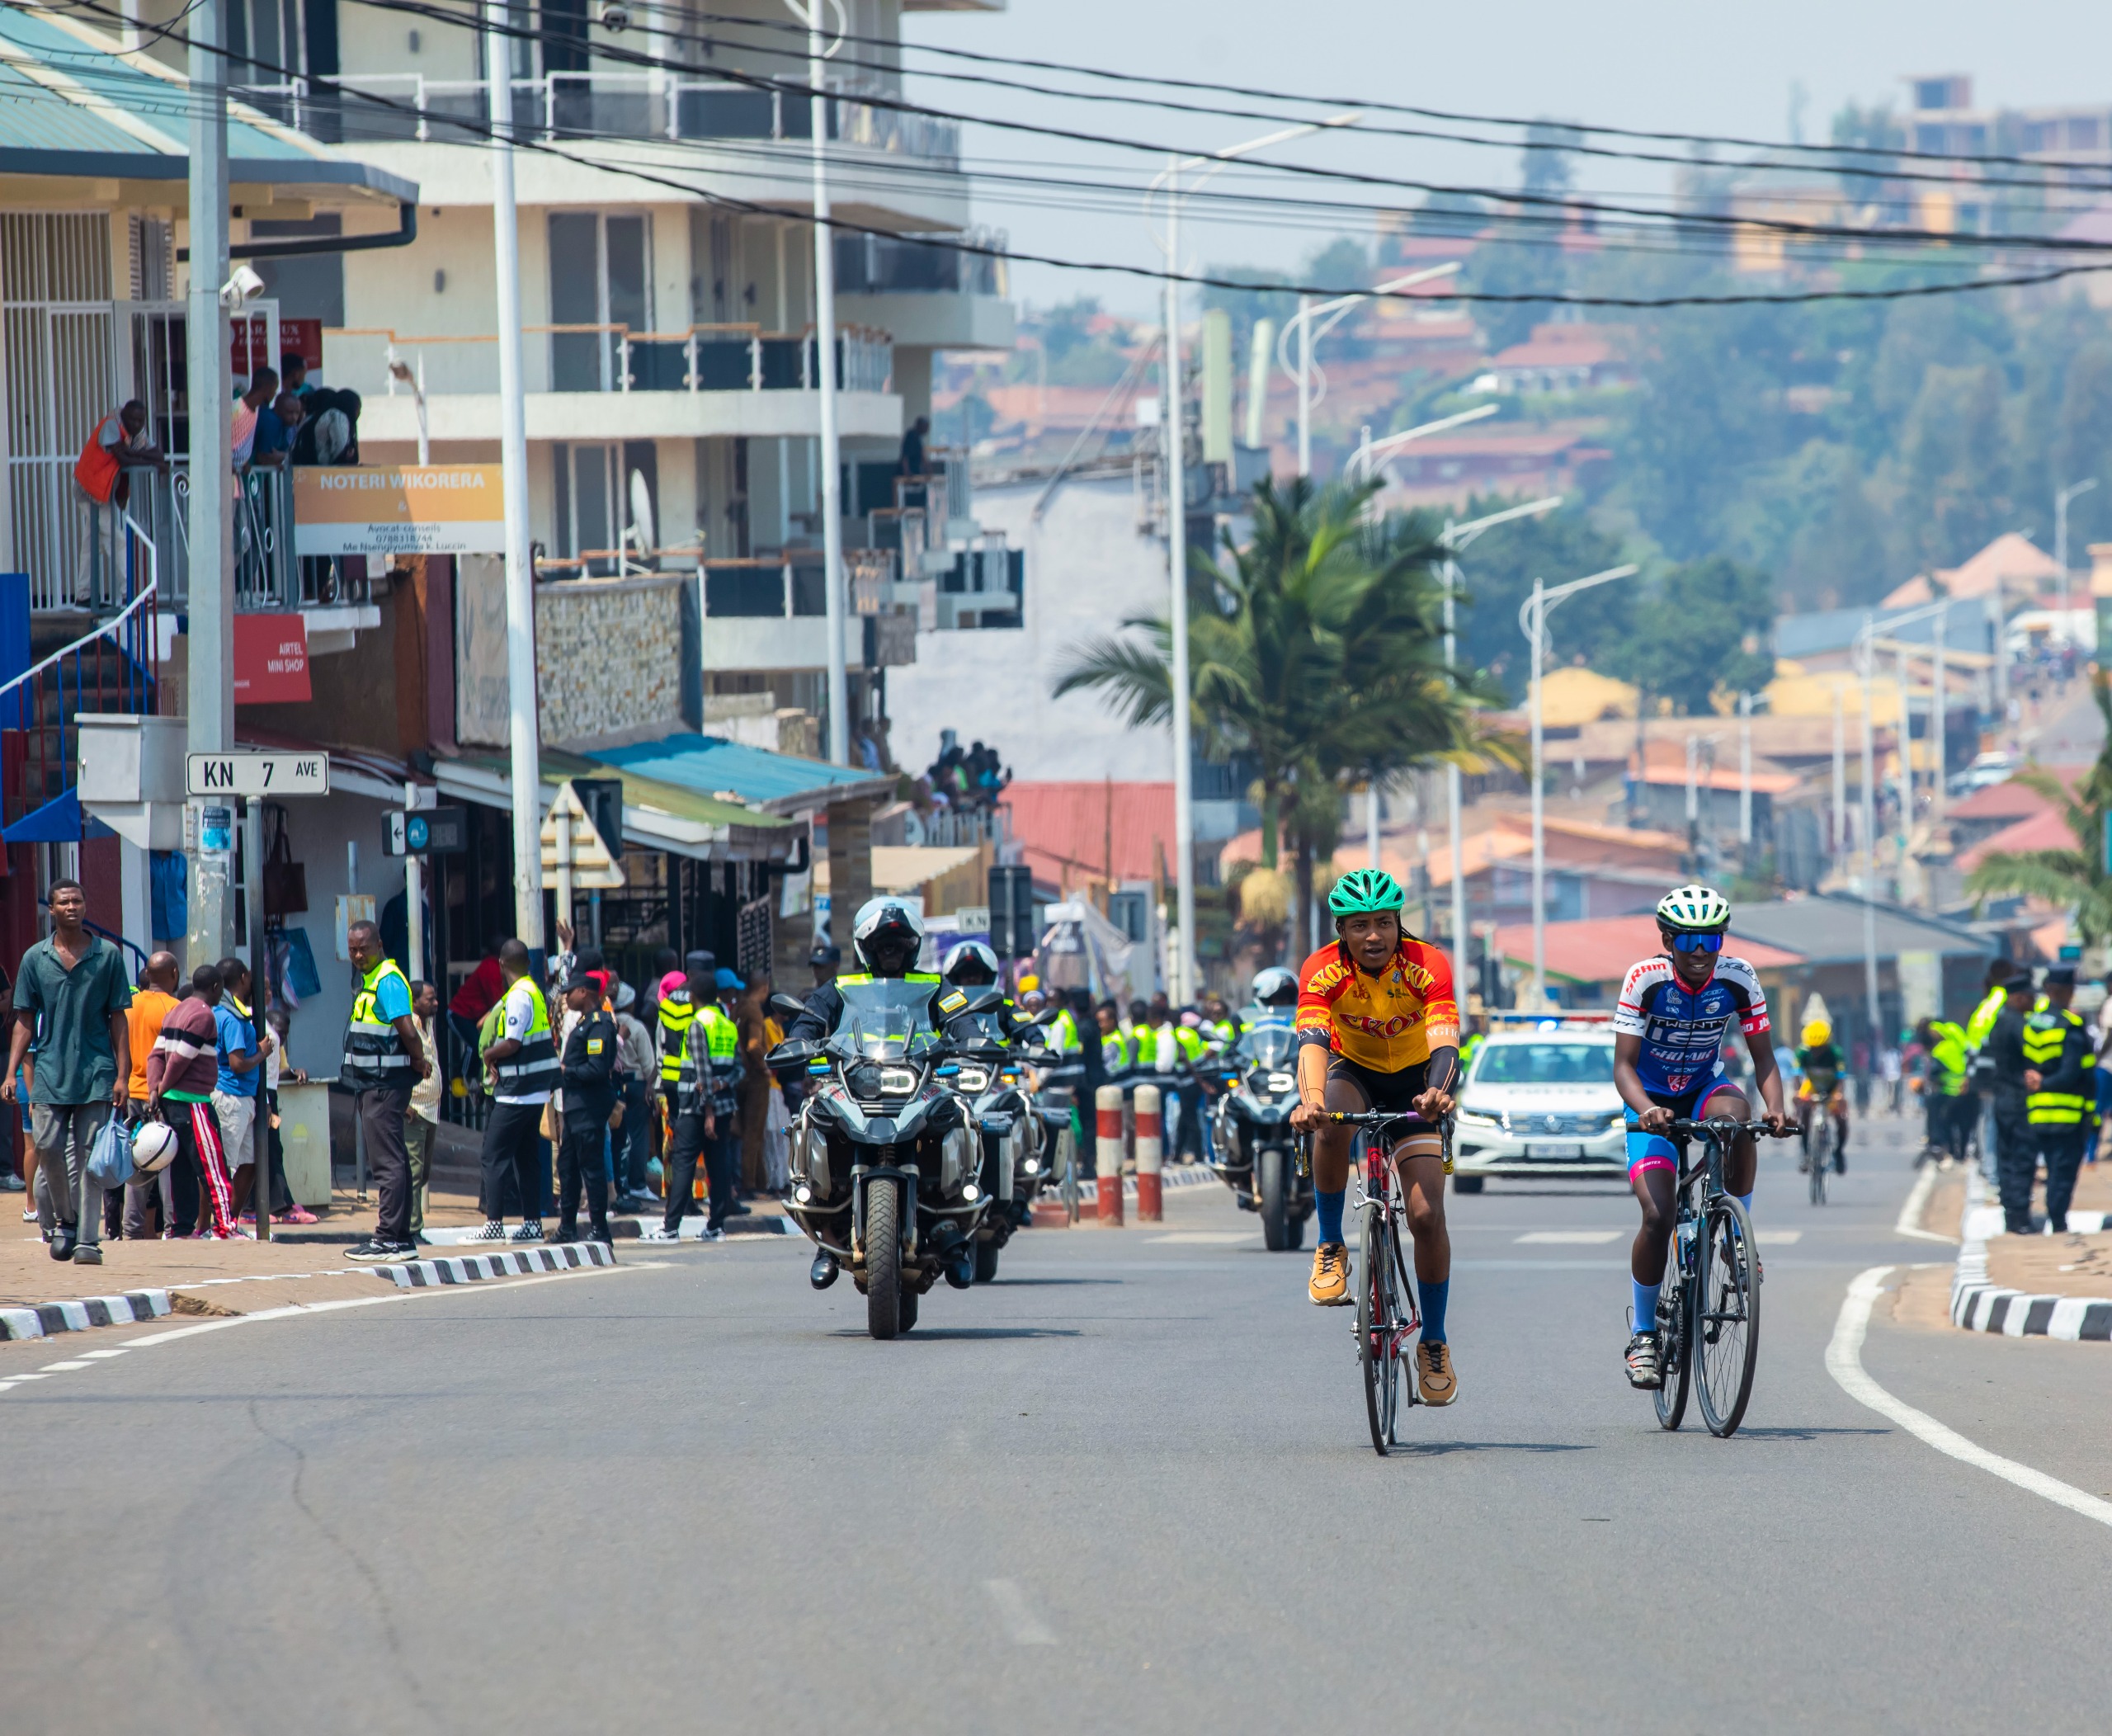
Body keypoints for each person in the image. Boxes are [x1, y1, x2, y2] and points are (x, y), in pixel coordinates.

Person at [1287, 868, 1463, 1407]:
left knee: (1428, 1215)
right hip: (1354, 1071)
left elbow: (1445, 1042)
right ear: (1341, 928)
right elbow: (1314, 1040)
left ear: (1397, 923)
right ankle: (1330, 1245)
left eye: (1383, 923)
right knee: (1330, 1123)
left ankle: (1433, 1340)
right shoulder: (1322, 969)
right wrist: (1312, 1100)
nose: (1373, 936)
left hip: (1417, 1081)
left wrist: (1436, 1093)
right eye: (1360, 925)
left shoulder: (1427, 963)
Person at [1611, 885, 1790, 1392]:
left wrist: (1776, 1108)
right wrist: (1646, 1111)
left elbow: (1765, 1060)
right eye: (1688, 939)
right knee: (1658, 1215)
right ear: (1667, 939)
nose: (1698, 951)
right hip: (1648, 1100)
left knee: (1738, 1120)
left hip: (1704, 1088)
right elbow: (1622, 1066)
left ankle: (1736, 1237)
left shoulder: (1739, 978)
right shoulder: (1644, 980)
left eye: (1710, 940)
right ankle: (1644, 1334)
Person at [4, 880, 131, 1264]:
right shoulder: (34, 959)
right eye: (64, 901)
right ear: (52, 910)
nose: (72, 906)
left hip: (96, 1070)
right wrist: (10, 1072)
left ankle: (88, 1241)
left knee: (91, 1155)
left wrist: (123, 1076)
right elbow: (24, 1020)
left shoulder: (107, 955)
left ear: (85, 905)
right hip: (49, 1070)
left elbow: (119, 1019)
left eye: (78, 900)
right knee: (46, 1145)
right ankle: (67, 1220)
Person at [341, 919, 427, 1262]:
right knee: (396, 1161)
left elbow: (407, 1028)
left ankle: (388, 1237)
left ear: (379, 945)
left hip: (383, 1086)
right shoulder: (371, 980)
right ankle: (401, 1237)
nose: (358, 955)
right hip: (376, 1084)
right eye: (353, 949)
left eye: (364, 948)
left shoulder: (388, 981)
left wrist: (419, 1059)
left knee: (387, 1163)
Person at [144, 964, 240, 1240]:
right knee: (213, 1168)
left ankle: (182, 1230)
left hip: (172, 1103)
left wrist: (154, 1089)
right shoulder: (203, 1014)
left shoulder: (175, 1011)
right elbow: (181, 1058)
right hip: (193, 1101)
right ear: (216, 988)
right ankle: (226, 1227)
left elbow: (156, 1056)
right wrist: (162, 1088)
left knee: (181, 1169)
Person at [474, 940, 561, 1241]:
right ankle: (532, 1223)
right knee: (526, 1158)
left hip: (517, 1092)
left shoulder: (519, 996)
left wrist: (489, 1055)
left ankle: (494, 1224)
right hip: (533, 1091)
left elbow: (513, 1043)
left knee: (492, 1155)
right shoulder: (534, 991)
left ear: (501, 964)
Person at [660, 953, 743, 1241]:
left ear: (694, 995)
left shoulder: (698, 1023)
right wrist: (722, 1084)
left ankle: (671, 1227)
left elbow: (701, 1069)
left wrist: (708, 1108)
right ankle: (716, 1225)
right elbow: (738, 1069)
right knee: (719, 1164)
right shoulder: (727, 1024)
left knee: (683, 1161)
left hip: (697, 1108)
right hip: (723, 1105)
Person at [71, 399, 166, 606]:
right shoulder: (111, 425)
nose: (138, 425)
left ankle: (83, 596)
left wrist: (134, 452)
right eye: (133, 420)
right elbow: (123, 460)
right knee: (117, 540)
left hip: (101, 494)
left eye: (141, 421)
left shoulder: (135, 433)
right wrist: (139, 455)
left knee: (90, 544)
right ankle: (128, 594)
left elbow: (158, 454)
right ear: (124, 415)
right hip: (87, 491)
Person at [2022, 965, 2094, 1234]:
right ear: (2065, 991)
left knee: (2051, 1169)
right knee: (2063, 1172)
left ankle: (2053, 1217)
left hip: (2038, 1112)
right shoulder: (2071, 1027)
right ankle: (2058, 1222)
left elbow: (2024, 1068)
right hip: (2068, 1112)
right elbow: (2076, 1073)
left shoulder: (2032, 1025)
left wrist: (2038, 1084)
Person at [118, 951, 181, 1239]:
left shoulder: (128, 1007)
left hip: (131, 1091)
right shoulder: (175, 1008)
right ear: (175, 973)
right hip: (163, 1094)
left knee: (138, 1159)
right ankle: (172, 1227)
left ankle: (130, 1228)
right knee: (168, 1160)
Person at [554, 974, 617, 1244]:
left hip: (589, 1108)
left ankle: (600, 1229)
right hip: (574, 1108)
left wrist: (567, 1071)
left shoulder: (599, 1024)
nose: (566, 998)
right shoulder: (582, 1023)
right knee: (567, 1166)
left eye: (570, 992)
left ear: (584, 992)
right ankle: (567, 1226)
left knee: (591, 1169)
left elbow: (597, 1068)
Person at [211, 955, 272, 1222]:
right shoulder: (231, 1017)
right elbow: (237, 1063)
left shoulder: (234, 1013)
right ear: (245, 978)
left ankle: (229, 1222)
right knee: (224, 1166)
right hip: (231, 1098)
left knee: (250, 1162)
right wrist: (262, 1053)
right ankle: (214, 1225)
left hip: (245, 1098)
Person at [1983, 971, 2036, 1236]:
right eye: (2029, 996)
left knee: (2006, 1157)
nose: (2034, 1001)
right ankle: (2020, 1216)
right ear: (2018, 998)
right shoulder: (2018, 1024)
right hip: (2018, 1098)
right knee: (2022, 1157)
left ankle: (2011, 1215)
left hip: (2002, 1098)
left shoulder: (1999, 1023)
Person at [612, 982, 657, 1209]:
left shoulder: (610, 1022)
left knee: (620, 1138)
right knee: (639, 1136)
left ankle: (621, 1183)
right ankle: (638, 1183)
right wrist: (652, 1087)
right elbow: (650, 1065)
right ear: (629, 1004)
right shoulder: (637, 1027)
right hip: (638, 1085)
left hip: (619, 1086)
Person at [405, 980, 443, 1242]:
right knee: (414, 1173)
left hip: (431, 1110)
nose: (435, 1003)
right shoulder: (407, 1028)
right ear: (415, 1001)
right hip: (415, 1110)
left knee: (423, 1173)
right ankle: (412, 1229)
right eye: (430, 999)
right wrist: (404, 1104)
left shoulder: (427, 1026)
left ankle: (412, 1225)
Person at [1794, 1016, 1848, 1172]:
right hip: (1811, 1087)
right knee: (1804, 1113)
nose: (1816, 1052)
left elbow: (1841, 1078)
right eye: (1813, 1048)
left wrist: (1839, 1095)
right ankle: (1805, 1153)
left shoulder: (1836, 1053)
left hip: (1833, 1088)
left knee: (1842, 1119)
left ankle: (1838, 1153)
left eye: (1820, 1048)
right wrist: (1798, 1093)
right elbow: (1796, 1075)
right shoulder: (1802, 1052)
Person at [1914, 1015, 1970, 1167]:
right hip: (1964, 1088)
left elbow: (1935, 1075)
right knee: (1962, 1124)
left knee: (1940, 1117)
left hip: (1950, 1090)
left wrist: (1924, 1084)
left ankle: (1939, 1144)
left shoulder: (1941, 1051)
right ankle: (1960, 1153)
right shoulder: (1954, 1045)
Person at [898, 413, 930, 479]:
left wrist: (928, 470)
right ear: (920, 425)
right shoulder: (911, 436)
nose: (927, 429)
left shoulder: (918, 438)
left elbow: (922, 456)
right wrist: (906, 471)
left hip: (915, 472)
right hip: (908, 474)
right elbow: (905, 456)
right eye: (926, 426)